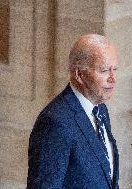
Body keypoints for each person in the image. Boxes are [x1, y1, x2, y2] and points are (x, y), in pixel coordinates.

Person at [27, 34, 119, 189]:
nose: (113, 78)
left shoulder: (100, 110)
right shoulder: (55, 122)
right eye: (104, 70)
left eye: (115, 69)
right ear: (79, 74)